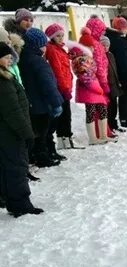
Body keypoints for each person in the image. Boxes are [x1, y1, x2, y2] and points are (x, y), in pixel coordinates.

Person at [0, 42, 43, 217]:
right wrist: (27, 134)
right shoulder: (2, 82)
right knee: (16, 167)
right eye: (6, 57)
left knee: (8, 166)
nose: (10, 59)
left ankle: (11, 200)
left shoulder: (5, 76)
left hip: (7, 131)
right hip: (10, 132)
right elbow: (13, 111)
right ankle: (21, 204)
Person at [20, 28, 64, 165]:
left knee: (37, 131)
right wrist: (56, 103)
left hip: (32, 102)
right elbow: (48, 84)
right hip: (41, 103)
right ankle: (42, 157)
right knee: (43, 131)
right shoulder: (37, 61)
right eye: (43, 44)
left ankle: (38, 155)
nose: (45, 47)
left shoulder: (24, 58)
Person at [44, 24, 74, 148]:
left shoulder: (60, 48)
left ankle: (65, 138)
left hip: (65, 85)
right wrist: (64, 88)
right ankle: (63, 139)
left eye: (62, 35)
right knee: (63, 115)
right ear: (52, 37)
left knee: (66, 114)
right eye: (58, 36)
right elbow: (57, 70)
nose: (61, 38)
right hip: (61, 87)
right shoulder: (52, 49)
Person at [106, 16, 127, 129]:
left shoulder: (112, 39)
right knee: (124, 97)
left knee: (116, 99)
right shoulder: (119, 42)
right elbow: (124, 61)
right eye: (125, 28)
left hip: (115, 74)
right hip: (121, 74)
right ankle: (124, 119)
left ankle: (116, 121)